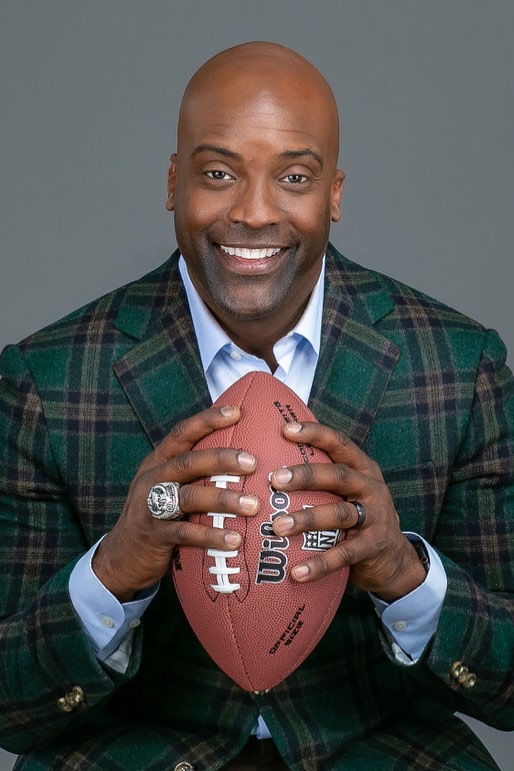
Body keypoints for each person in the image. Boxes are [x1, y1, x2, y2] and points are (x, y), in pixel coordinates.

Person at [0, 41, 512, 771]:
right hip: (132, 750)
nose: (254, 212)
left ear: (334, 194)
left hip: (383, 749)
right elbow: (10, 703)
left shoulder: (458, 368)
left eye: (294, 177)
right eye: (219, 173)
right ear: (173, 182)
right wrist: (113, 571)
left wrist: (405, 574)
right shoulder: (48, 380)